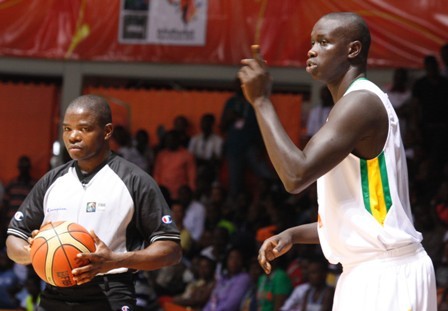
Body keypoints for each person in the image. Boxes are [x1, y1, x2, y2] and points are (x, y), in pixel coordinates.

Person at [238, 12, 437, 310]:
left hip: (387, 273)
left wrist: (262, 102)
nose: (312, 50)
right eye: (312, 42)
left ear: (353, 50)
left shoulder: (361, 103)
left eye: (324, 42)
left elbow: (295, 176)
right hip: (368, 270)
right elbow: (363, 217)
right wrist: (293, 234)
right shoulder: (350, 107)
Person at [6, 94, 182, 311]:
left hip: (110, 293)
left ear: (107, 131)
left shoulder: (135, 181)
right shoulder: (51, 181)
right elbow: (14, 237)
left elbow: (171, 249)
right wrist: (35, 252)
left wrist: (116, 260)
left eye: (84, 129)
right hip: (54, 292)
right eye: (67, 129)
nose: (73, 137)